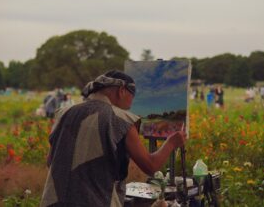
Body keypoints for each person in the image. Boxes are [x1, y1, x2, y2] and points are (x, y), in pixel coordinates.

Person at [40, 70, 186, 207]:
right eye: (132, 97)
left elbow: (50, 161)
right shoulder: (121, 119)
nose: (130, 106)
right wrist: (172, 142)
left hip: (53, 201)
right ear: (122, 90)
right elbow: (150, 166)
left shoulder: (64, 113)